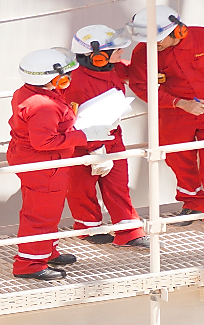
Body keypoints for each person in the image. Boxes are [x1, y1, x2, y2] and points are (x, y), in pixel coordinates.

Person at [127, 7, 204, 236]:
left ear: (178, 31)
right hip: (175, 114)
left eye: (159, 40)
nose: (154, 45)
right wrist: (178, 103)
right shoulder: (144, 52)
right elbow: (140, 85)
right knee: (177, 158)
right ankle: (192, 203)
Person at [9, 48, 115, 280]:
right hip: (45, 166)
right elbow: (44, 141)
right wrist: (84, 136)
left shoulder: (28, 93)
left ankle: (46, 251)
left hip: (39, 163)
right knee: (41, 215)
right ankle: (30, 264)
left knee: (42, 210)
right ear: (54, 78)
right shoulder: (43, 106)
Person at [63, 25, 150, 249]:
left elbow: (132, 71)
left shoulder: (113, 69)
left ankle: (129, 231)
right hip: (81, 145)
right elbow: (70, 120)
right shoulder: (75, 82)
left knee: (118, 184)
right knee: (81, 188)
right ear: (98, 57)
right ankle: (88, 227)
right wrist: (94, 148)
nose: (122, 53)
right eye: (116, 50)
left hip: (112, 138)